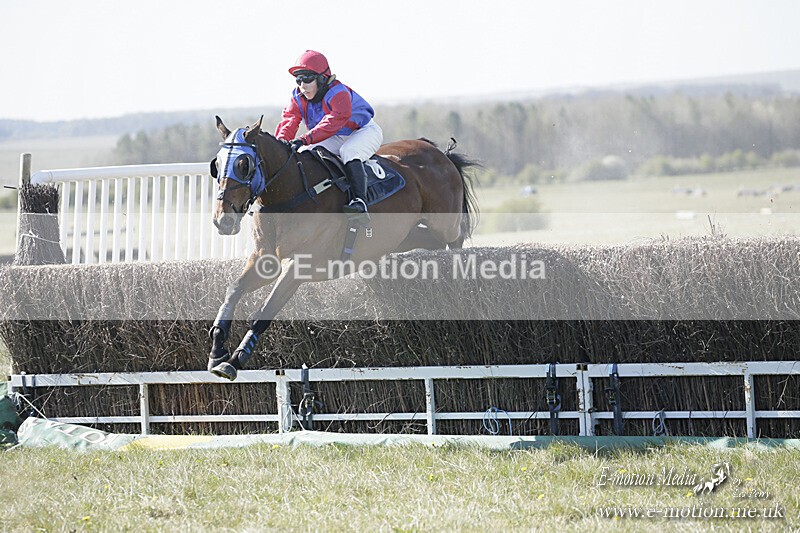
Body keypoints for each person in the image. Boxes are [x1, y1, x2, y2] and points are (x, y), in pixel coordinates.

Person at [275, 50, 383, 218]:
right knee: (304, 153)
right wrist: (281, 143)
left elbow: (333, 122)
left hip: (363, 131)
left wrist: (304, 139)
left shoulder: (338, 92)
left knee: (349, 152)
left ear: (322, 78)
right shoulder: (297, 96)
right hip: (334, 135)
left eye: (308, 79)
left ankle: (360, 202)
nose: (302, 85)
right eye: (299, 80)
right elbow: (290, 120)